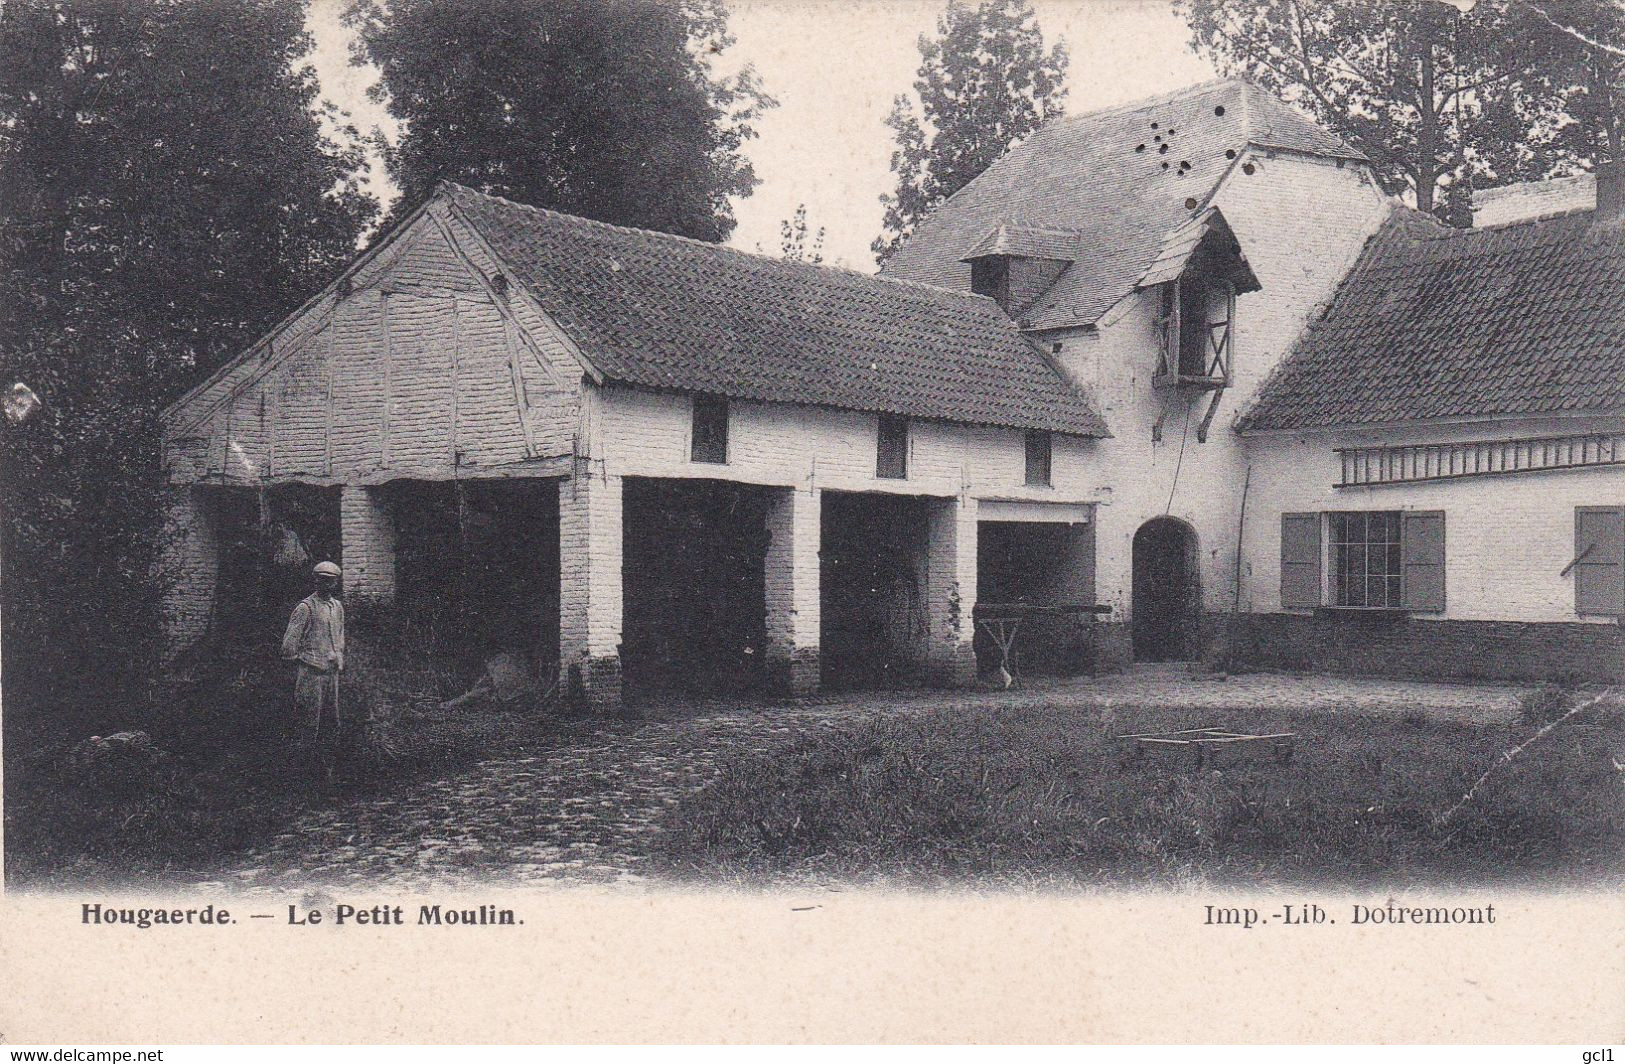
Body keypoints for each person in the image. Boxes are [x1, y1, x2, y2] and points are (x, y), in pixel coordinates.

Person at [281, 560, 346, 783]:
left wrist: (337, 659)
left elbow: (339, 637)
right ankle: (300, 778)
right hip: (311, 674)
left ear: (337, 582)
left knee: (332, 723)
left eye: (331, 581)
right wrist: (306, 662)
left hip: (331, 673)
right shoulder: (305, 608)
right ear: (315, 580)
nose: (327, 584)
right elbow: (289, 645)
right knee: (308, 724)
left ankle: (327, 774)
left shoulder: (337, 607)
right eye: (322, 579)